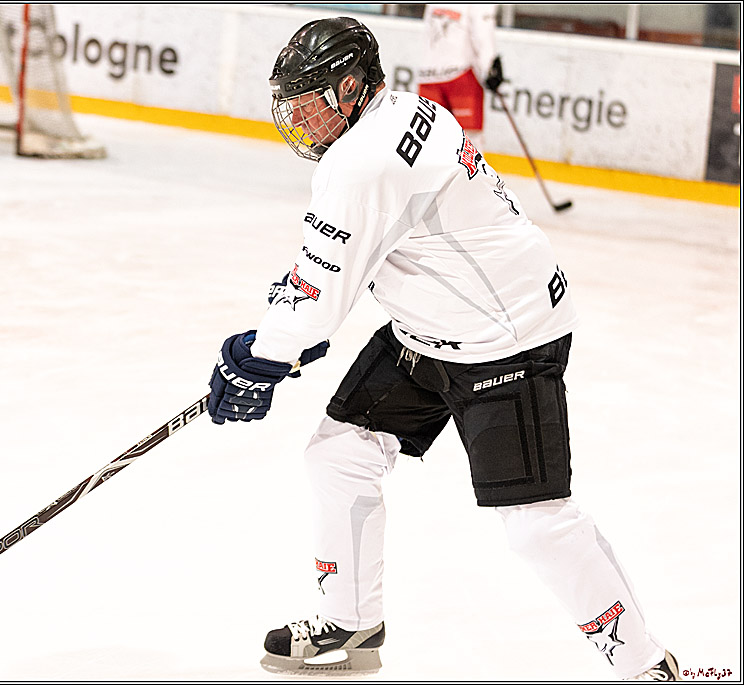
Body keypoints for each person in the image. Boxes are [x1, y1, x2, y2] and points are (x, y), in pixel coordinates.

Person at [206, 16, 681, 681]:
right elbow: (347, 270)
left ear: (350, 90)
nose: (299, 121)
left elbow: (318, 301)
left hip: (505, 340)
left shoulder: (361, 162)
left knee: (536, 525)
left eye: (310, 104)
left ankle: (649, 666)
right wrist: (278, 345)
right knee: (339, 452)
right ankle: (351, 621)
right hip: (429, 332)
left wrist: (254, 358)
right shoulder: (405, 110)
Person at [416, 4, 504, 151]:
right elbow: (482, 31)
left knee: (429, 139)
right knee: (470, 140)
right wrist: (489, 66)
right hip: (462, 76)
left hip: (428, 75)